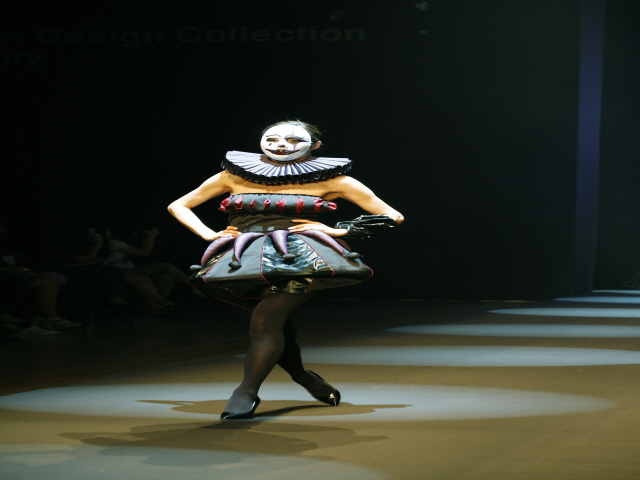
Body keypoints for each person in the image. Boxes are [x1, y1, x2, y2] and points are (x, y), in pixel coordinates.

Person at [168, 121, 403, 419]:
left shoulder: (335, 180)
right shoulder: (234, 175)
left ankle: (246, 391)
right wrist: (208, 234)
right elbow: (179, 205)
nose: (281, 145)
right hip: (243, 259)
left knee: (263, 322)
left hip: (300, 258)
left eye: (293, 140)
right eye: (273, 138)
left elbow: (392, 215)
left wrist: (338, 231)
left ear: (315, 145)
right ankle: (303, 377)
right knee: (271, 325)